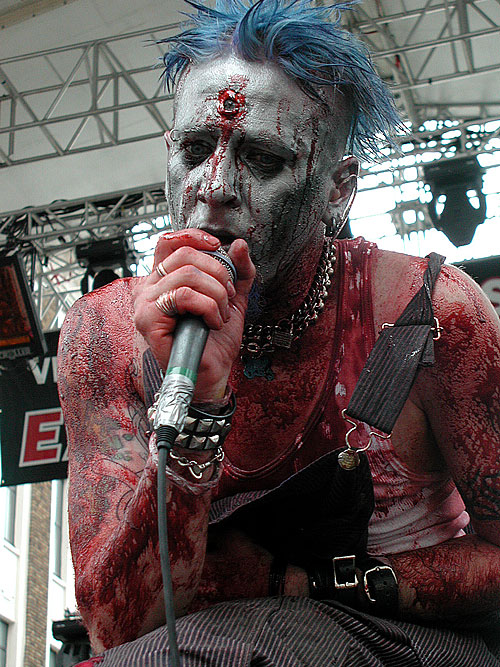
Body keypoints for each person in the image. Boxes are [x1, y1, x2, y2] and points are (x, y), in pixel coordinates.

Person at [57, 1, 500, 664]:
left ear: (338, 191)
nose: (214, 188)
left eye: (263, 159)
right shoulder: (106, 335)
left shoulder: (426, 313)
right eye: (195, 149)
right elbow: (118, 632)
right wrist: (195, 408)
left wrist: (294, 585)